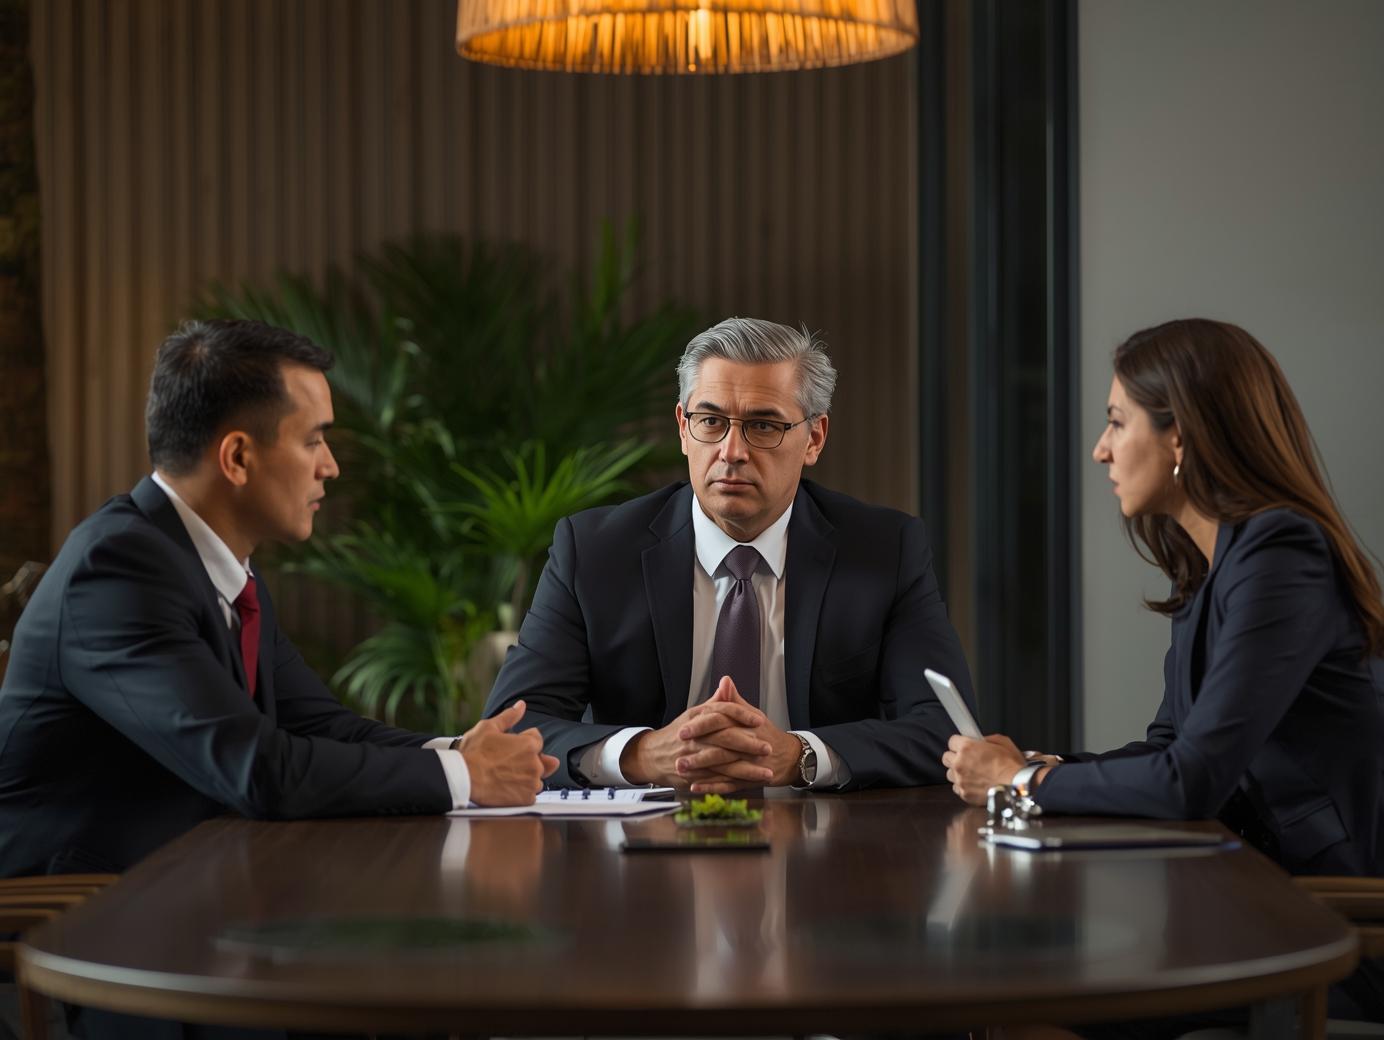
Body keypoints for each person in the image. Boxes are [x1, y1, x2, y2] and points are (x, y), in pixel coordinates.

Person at [0, 319, 557, 881]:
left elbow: (322, 728)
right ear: (237, 458)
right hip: (72, 908)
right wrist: (466, 775)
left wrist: (461, 750)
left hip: (180, 886)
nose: (330, 466)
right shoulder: (116, 571)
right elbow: (257, 768)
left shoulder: (219, 570)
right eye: (313, 440)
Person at [943, 318, 1384, 1024]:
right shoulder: (1211, 567)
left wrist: (1022, 782)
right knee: (1006, 984)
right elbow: (1170, 746)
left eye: (1118, 422)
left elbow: (1192, 779)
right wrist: (1044, 765)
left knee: (1025, 999)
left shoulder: (1280, 554)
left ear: (1180, 437)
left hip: (1328, 926)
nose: (1101, 448)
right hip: (1251, 901)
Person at [484, 316, 973, 793]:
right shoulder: (595, 551)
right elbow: (508, 730)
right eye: (711, 422)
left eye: (763, 426)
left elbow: (946, 731)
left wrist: (799, 756)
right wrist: (644, 754)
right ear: (683, 428)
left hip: (823, 834)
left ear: (814, 438)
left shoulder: (884, 550)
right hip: (643, 836)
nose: (732, 451)